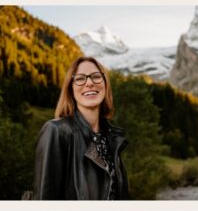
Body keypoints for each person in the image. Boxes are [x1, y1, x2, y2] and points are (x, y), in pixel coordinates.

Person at [32, 56, 129, 200]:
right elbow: (44, 200)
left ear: (105, 85)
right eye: (80, 78)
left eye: (96, 77)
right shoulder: (56, 131)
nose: (89, 83)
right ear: (70, 88)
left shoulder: (112, 138)